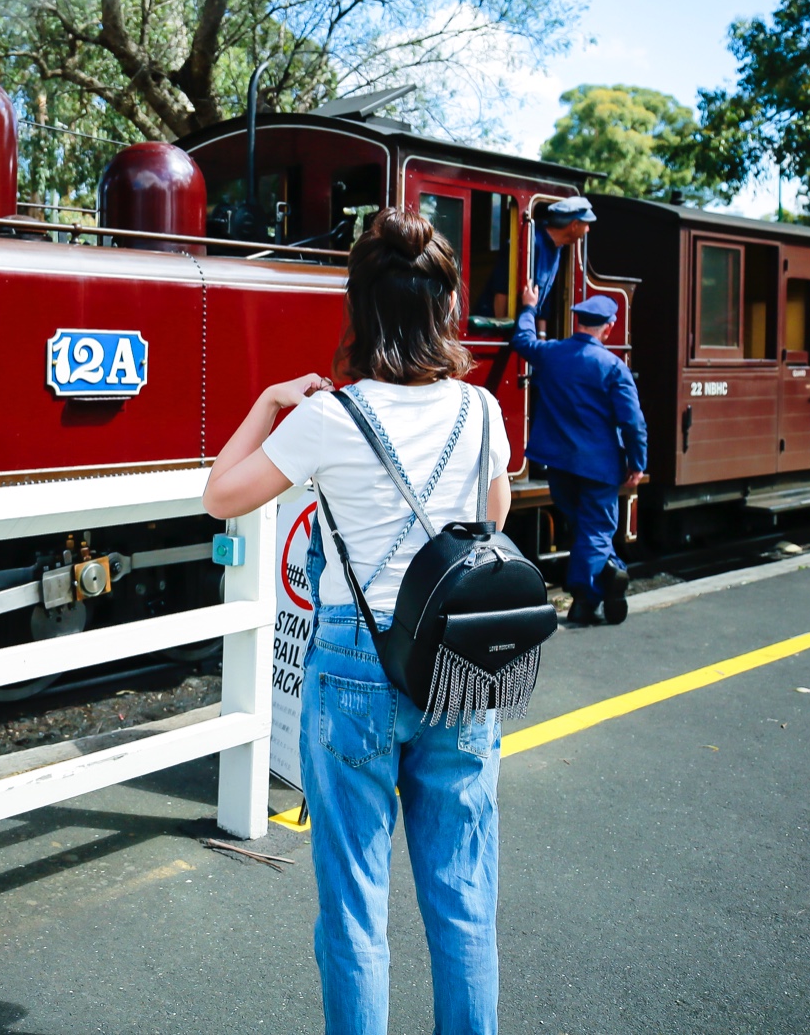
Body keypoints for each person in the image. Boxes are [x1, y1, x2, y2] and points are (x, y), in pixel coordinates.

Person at [203, 209, 511, 1035]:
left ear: (360, 307)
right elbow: (492, 518)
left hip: (354, 664)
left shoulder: (328, 418)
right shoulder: (482, 412)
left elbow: (219, 493)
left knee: (354, 908)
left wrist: (271, 400)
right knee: (464, 902)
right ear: (443, 307)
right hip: (459, 666)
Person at [511, 285, 646, 626]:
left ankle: (610, 575)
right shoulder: (614, 368)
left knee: (586, 529)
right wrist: (637, 463)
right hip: (599, 467)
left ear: (578, 323)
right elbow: (632, 422)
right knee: (596, 530)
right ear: (609, 328)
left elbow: (523, 341)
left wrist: (528, 308)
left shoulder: (552, 353)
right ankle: (585, 599)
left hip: (557, 464)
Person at [530, 195, 594, 324]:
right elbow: (502, 291)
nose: (588, 230)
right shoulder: (533, 243)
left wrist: (542, 337)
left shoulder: (558, 248)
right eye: (586, 224)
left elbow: (544, 299)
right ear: (574, 225)